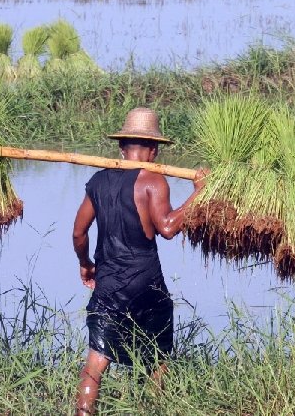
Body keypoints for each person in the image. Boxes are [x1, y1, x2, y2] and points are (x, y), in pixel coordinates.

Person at [72, 107, 207, 416]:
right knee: (157, 357)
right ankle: (154, 408)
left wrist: (85, 263)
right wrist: (200, 192)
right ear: (154, 150)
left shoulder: (98, 182)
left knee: (96, 359)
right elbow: (169, 227)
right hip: (148, 282)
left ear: (122, 147)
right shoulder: (153, 181)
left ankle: (83, 413)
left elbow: (79, 233)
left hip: (110, 282)